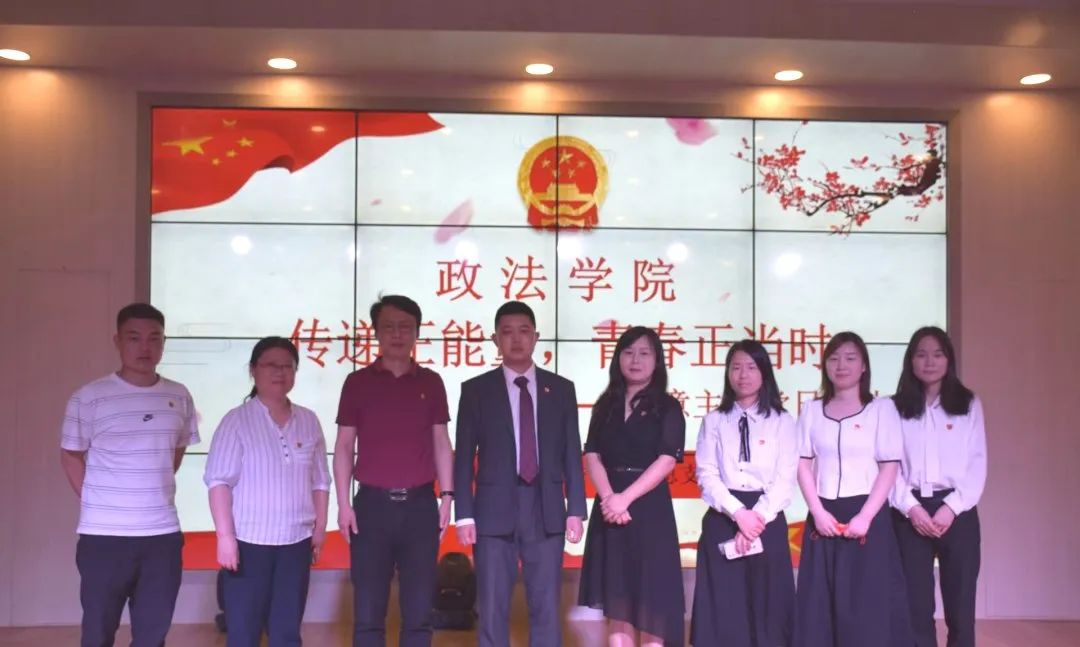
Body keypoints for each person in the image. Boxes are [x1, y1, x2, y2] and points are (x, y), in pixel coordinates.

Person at [60, 303, 199, 647]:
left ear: (164, 343)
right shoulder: (89, 397)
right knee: (98, 631)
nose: (144, 347)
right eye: (134, 338)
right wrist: (98, 499)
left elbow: (175, 451)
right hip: (104, 536)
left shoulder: (179, 395)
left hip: (162, 535)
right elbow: (71, 455)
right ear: (117, 341)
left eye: (154, 338)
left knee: (153, 634)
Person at [454, 300, 587, 647]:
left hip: (546, 507)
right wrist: (464, 514)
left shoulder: (561, 389)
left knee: (546, 606)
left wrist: (575, 509)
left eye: (524, 331)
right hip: (491, 509)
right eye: (507, 332)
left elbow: (571, 452)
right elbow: (464, 457)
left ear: (536, 337)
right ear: (495, 339)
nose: (516, 339)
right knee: (491, 606)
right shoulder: (476, 390)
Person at [333, 295, 455, 647]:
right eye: (389, 327)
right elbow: (344, 446)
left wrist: (447, 497)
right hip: (371, 508)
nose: (397, 334)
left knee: (419, 612)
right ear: (376, 332)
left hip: (420, 506)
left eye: (405, 327)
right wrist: (343, 505)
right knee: (368, 613)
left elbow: (441, 442)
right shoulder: (357, 383)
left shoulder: (431, 382)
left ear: (417, 333)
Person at [204, 336, 331, 646]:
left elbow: (320, 481)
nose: (280, 372)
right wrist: (225, 538)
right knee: (244, 633)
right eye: (271, 365)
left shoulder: (308, 420)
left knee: (286, 632)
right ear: (253, 370)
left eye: (288, 366)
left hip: (295, 544)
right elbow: (219, 482)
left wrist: (319, 529)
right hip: (249, 544)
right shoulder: (236, 421)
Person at [794, 331, 914, 647]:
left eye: (850, 358)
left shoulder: (881, 409)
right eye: (833, 359)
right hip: (823, 513)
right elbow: (802, 464)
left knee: (866, 602)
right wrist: (817, 512)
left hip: (867, 512)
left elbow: (889, 466)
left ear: (864, 366)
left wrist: (866, 516)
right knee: (818, 602)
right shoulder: (811, 410)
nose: (841, 365)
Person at [578, 326, 686, 647]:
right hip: (610, 509)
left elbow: (667, 460)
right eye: (628, 352)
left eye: (644, 353)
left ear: (657, 360)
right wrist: (609, 497)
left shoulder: (667, 406)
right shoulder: (605, 405)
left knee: (652, 601)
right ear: (618, 358)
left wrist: (625, 498)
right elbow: (592, 454)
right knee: (618, 602)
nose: (635, 360)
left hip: (649, 509)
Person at [691, 339, 797, 646]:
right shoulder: (714, 420)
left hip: (767, 520)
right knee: (724, 610)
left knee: (768, 611)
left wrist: (755, 519)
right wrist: (739, 514)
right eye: (736, 367)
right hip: (723, 516)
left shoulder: (782, 421)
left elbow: (785, 478)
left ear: (764, 372)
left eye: (751, 367)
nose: (743, 374)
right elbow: (706, 474)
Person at [890, 326, 986, 647]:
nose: (929, 362)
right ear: (910, 361)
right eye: (921, 354)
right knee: (915, 606)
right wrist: (911, 508)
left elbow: (977, 463)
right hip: (909, 513)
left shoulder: (968, 403)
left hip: (957, 513)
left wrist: (951, 508)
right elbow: (887, 466)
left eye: (937, 354)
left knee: (961, 605)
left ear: (949, 360)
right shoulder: (893, 408)